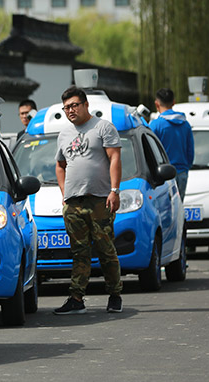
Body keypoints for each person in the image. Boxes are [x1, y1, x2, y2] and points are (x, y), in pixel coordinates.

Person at [53, 86, 123, 315]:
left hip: (100, 200)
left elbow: (114, 158)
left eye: (74, 105)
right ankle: (76, 298)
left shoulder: (103, 127)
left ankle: (114, 294)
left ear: (85, 105)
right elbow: (60, 166)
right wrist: (65, 195)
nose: (70, 110)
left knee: (105, 249)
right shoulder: (64, 134)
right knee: (79, 252)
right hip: (74, 203)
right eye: (66, 107)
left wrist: (114, 190)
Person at [148, 88, 194, 201]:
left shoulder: (155, 125)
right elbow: (190, 152)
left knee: (165, 212)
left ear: (156, 104)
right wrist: (185, 168)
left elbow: (149, 151)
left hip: (162, 175)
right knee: (178, 209)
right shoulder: (185, 124)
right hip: (182, 172)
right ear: (173, 102)